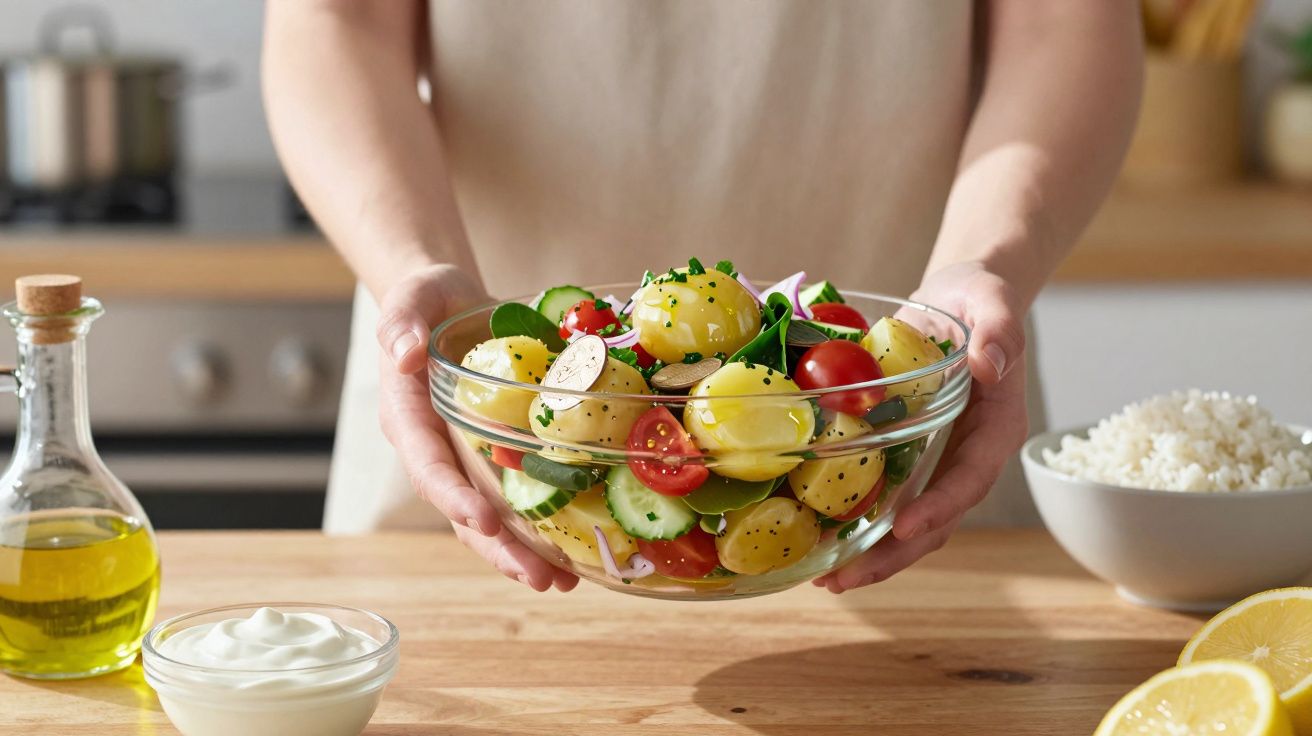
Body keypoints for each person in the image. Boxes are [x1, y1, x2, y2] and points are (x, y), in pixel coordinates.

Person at [263, 1, 1142, 593]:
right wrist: (412, 269)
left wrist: (986, 265)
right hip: (488, 433)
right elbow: (336, 20)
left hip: (905, 428)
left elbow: (1066, 24)